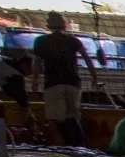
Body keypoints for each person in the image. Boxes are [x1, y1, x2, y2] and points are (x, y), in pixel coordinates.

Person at [35, 13, 101, 148]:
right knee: (73, 115)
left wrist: (35, 82)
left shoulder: (41, 41)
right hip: (73, 83)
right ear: (64, 25)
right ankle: (79, 144)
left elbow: (36, 62)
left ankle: (68, 144)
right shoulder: (73, 41)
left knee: (58, 118)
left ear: (48, 26)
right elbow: (87, 59)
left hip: (53, 84)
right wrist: (95, 77)